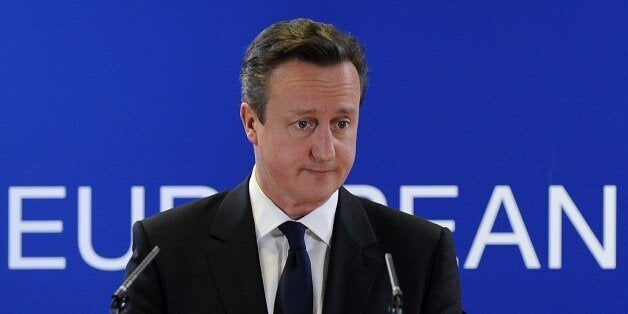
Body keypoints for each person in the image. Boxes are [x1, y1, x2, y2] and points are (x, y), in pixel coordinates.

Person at [124, 18, 462, 313]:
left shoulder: (418, 255)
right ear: (251, 123)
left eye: (341, 123)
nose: (326, 150)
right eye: (305, 124)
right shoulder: (167, 250)